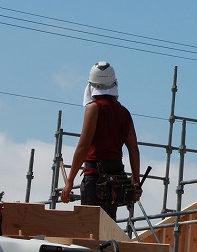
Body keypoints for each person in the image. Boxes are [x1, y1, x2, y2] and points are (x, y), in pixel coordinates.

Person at [61, 61, 142, 221]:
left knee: (89, 228)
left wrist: (69, 181)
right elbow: (133, 149)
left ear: (91, 86)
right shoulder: (124, 112)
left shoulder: (94, 108)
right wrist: (136, 182)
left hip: (96, 179)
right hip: (116, 180)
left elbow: (83, 147)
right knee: (107, 228)